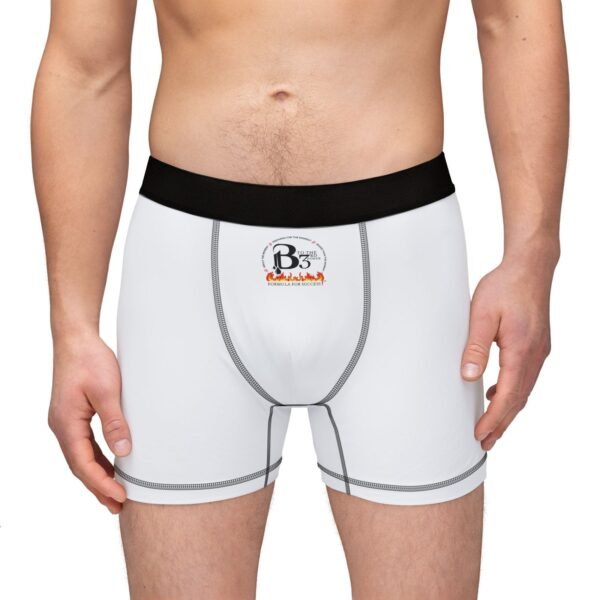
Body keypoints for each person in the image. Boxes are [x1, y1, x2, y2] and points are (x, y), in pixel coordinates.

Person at [31, 0, 568, 598]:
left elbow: (513, 18)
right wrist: (72, 328)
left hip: (404, 267)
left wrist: (532, 255)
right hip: (185, 275)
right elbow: (86, 66)